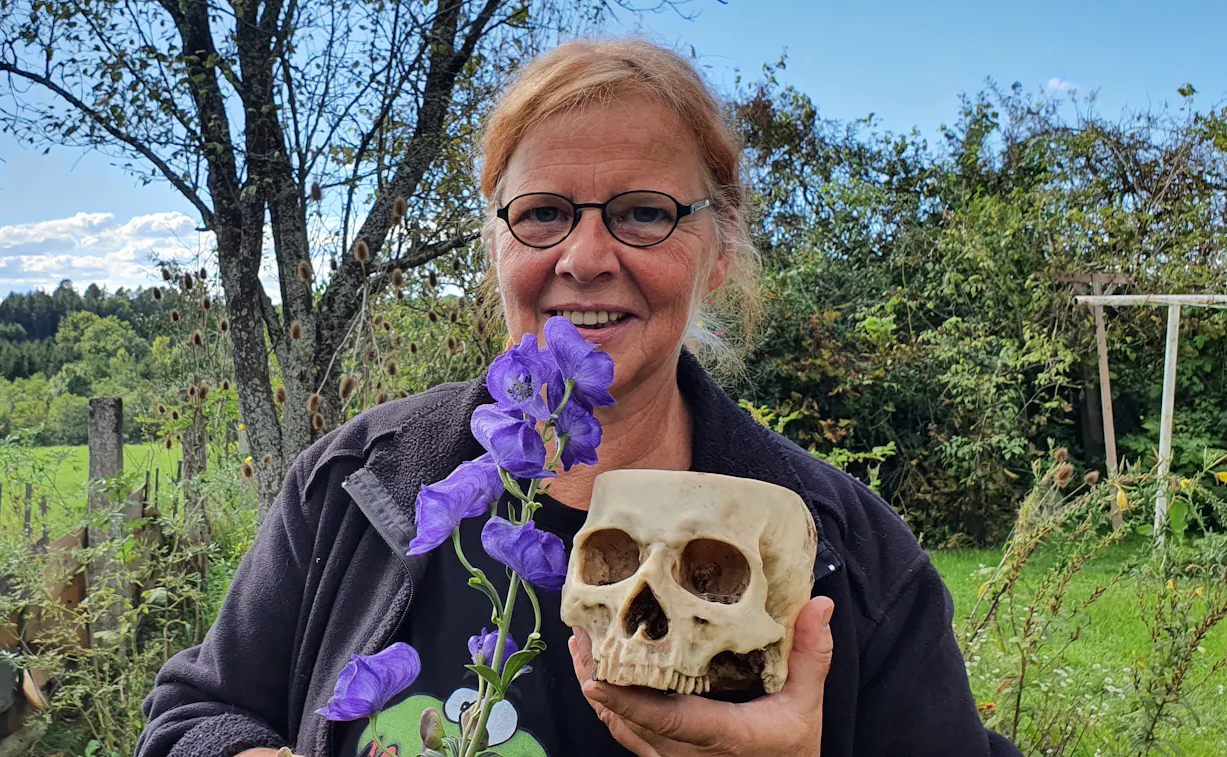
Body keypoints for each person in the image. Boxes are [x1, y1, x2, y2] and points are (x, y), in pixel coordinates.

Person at [137, 38, 1019, 757]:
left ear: (718, 249)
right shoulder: (354, 486)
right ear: (496, 246)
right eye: (544, 212)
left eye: (641, 212)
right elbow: (192, 715)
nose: (588, 256)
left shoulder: (851, 554)